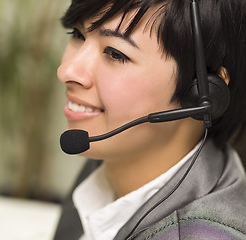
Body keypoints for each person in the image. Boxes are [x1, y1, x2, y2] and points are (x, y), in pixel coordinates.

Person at [53, 0, 246, 239]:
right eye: (78, 35)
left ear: (204, 91)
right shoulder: (113, 158)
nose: (67, 71)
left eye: (115, 53)